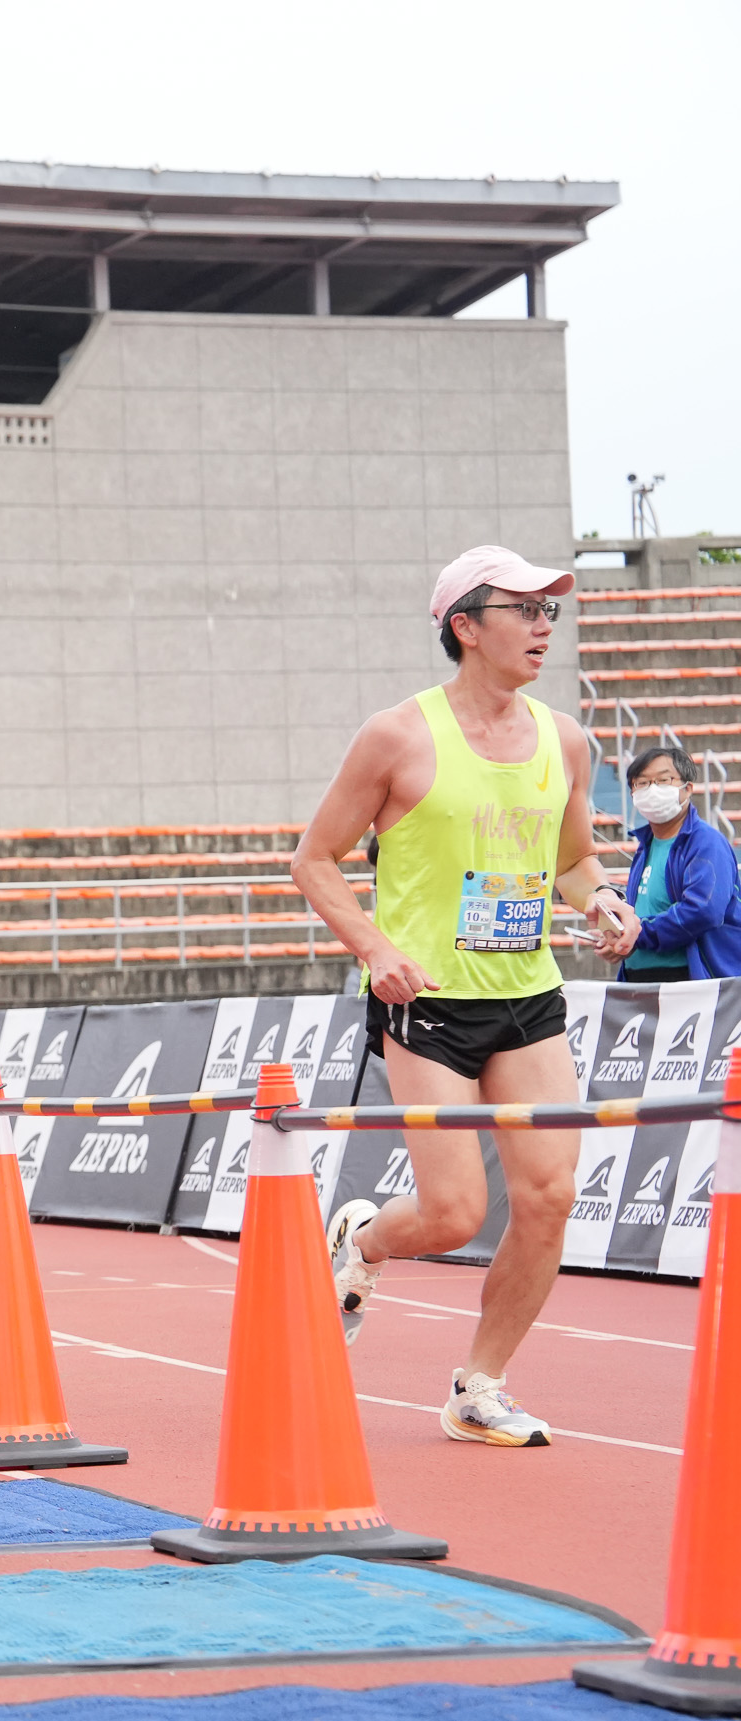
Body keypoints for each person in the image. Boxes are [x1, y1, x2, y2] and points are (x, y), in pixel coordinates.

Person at [292, 544, 635, 1447]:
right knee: (453, 1215)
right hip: (429, 1002)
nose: (544, 625)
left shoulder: (566, 739)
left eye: (550, 610)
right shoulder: (398, 736)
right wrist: (375, 948)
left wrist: (600, 898)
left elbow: (572, 858)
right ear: (466, 627)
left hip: (528, 994)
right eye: (524, 609)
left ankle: (479, 1386)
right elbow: (314, 859)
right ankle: (365, 1241)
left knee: (550, 1196)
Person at [617, 746, 741, 984]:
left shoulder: (706, 843)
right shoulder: (646, 845)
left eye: (663, 780)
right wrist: (618, 934)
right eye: (642, 783)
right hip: (639, 980)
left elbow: (703, 911)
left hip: (690, 982)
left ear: (688, 788)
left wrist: (637, 934)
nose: (652, 789)